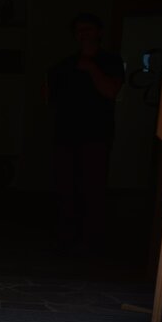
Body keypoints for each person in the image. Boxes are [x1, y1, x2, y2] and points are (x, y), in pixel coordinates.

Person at [46, 12, 125, 247]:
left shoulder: (110, 61)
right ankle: (66, 237)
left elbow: (111, 91)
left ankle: (91, 238)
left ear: (99, 32)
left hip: (96, 135)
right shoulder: (64, 65)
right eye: (79, 30)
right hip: (66, 134)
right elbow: (50, 97)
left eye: (88, 29)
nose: (83, 34)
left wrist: (91, 68)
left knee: (93, 187)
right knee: (65, 187)